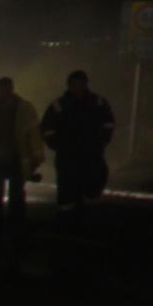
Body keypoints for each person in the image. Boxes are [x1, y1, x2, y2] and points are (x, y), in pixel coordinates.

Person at [0, 75, 44, 257]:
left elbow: (33, 132)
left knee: (12, 196)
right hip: (1, 158)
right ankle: (2, 230)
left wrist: (36, 155)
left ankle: (7, 230)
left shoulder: (17, 108)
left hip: (12, 157)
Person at [41, 69, 117, 208]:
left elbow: (108, 123)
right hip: (67, 157)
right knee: (67, 192)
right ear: (69, 85)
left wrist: (102, 141)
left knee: (93, 188)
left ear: (86, 84)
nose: (79, 87)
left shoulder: (98, 102)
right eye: (75, 84)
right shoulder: (59, 105)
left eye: (81, 83)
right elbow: (47, 128)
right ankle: (68, 216)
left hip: (92, 154)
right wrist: (59, 146)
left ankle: (88, 213)